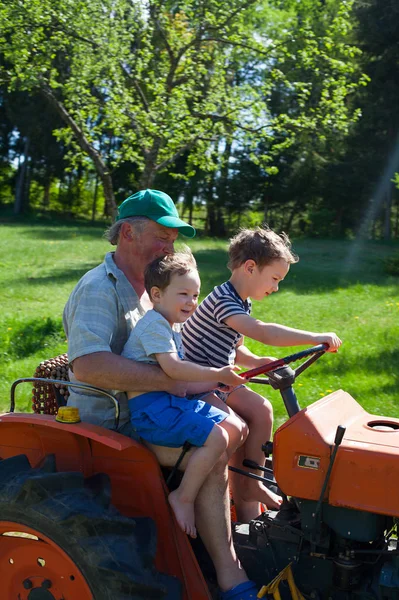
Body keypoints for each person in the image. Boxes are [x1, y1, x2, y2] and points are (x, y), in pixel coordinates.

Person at [63, 189, 258, 600]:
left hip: (154, 405)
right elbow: (89, 365)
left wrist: (222, 373)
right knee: (213, 447)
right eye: (162, 236)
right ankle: (227, 574)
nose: (169, 247)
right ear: (127, 234)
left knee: (240, 423)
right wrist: (177, 383)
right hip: (113, 419)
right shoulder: (100, 288)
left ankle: (241, 528)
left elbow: (179, 346)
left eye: (172, 240)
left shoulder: (155, 287)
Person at [182, 226, 342, 522]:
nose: (276, 287)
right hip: (197, 384)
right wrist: (316, 336)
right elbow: (262, 331)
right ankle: (230, 490)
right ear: (250, 267)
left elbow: (235, 347)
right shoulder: (223, 300)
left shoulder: (240, 299)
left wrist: (255, 360)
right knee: (238, 426)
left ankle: (251, 488)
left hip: (220, 380)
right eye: (275, 279)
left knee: (263, 409)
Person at [122, 251, 248, 539]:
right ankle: (184, 497)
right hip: (151, 411)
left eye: (196, 295)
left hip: (169, 402)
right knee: (218, 436)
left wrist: (215, 386)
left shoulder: (171, 326)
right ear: (156, 294)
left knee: (235, 427)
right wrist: (217, 373)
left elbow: (179, 381)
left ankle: (217, 492)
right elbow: (174, 369)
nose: (192, 302)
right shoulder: (154, 325)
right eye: (183, 294)